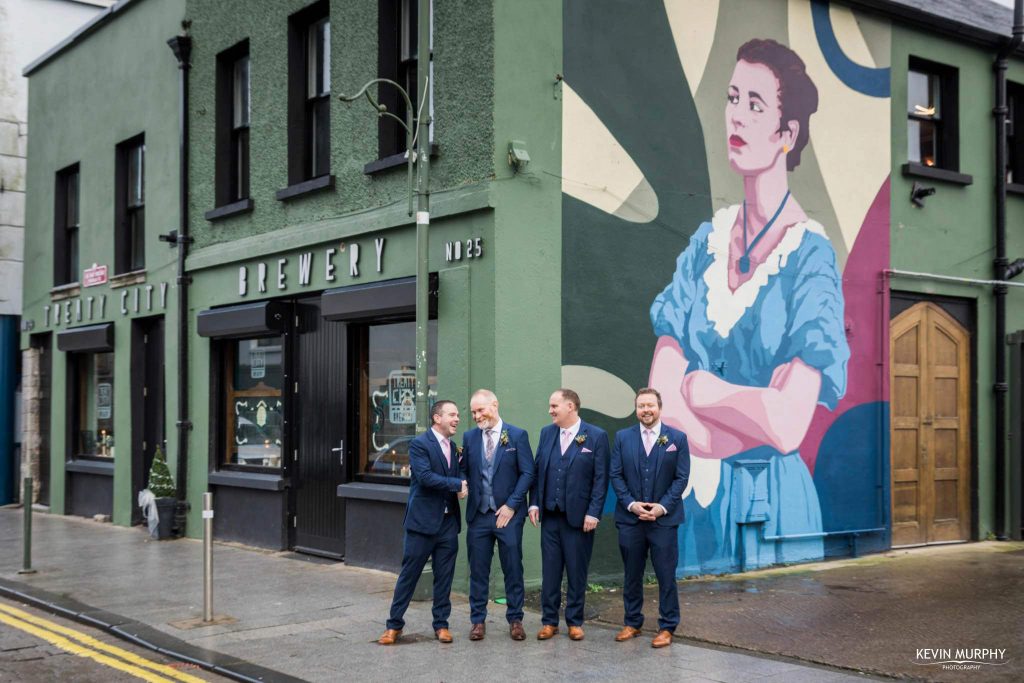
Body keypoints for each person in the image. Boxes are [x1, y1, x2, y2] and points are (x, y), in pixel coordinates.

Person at [649, 38, 849, 574]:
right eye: (733, 98)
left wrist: (702, 387)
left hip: (778, 508)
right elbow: (660, 404)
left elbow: (787, 425)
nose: (736, 115)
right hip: (697, 502)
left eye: (756, 105)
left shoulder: (810, 258)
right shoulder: (704, 245)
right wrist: (740, 409)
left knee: (777, 645)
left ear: (787, 134)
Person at [378, 400, 468, 645]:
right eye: (452, 414)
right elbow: (426, 477)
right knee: (409, 574)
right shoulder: (419, 444)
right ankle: (394, 625)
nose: (457, 419)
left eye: (458, 414)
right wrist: (457, 485)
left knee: (445, 577)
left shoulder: (454, 446)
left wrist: (462, 482)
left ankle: (441, 625)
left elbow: (458, 474)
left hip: (449, 523)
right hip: (422, 524)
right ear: (437, 418)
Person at [609, 388, 690, 648]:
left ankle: (667, 626)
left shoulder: (677, 438)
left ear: (660, 407)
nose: (646, 410)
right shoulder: (623, 438)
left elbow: (681, 478)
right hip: (631, 520)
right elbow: (616, 475)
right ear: (636, 409)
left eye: (650, 405)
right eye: (641, 406)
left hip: (663, 521)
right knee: (632, 574)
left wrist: (661, 507)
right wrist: (632, 505)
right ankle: (632, 622)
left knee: (666, 575)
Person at [528, 389, 609, 641]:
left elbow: (600, 479)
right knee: (550, 571)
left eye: (554, 406)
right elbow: (538, 470)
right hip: (550, 517)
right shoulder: (546, 433)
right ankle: (549, 621)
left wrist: (593, 512)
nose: (550, 410)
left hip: (579, 518)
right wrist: (534, 504)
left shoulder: (596, 436)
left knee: (576, 571)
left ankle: (574, 621)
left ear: (571, 406)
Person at [460, 389, 535, 641]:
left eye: (480, 410)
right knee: (478, 570)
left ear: (495, 405)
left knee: (513, 567)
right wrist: (460, 483)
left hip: (508, 515)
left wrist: (512, 505)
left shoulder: (516, 435)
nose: (476, 416)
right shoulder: (469, 437)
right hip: (479, 515)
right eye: (473, 412)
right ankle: (477, 621)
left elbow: (528, 473)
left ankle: (515, 619)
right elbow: (463, 470)